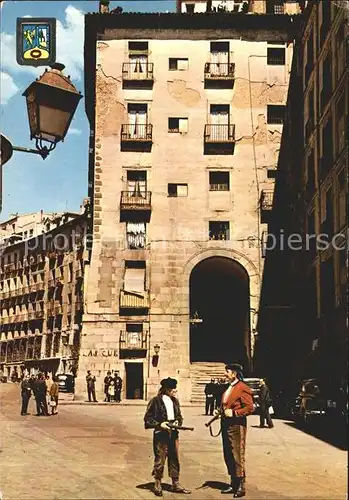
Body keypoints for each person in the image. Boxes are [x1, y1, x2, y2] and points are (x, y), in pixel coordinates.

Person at [144, 377, 191, 497]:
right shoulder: (155, 401)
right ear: (166, 389)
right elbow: (148, 419)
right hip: (161, 434)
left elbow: (179, 416)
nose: (174, 392)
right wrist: (160, 424)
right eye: (172, 390)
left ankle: (175, 483)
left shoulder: (175, 401)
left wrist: (177, 422)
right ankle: (157, 483)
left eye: (175, 390)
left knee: (174, 458)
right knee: (160, 459)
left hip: (173, 434)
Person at [219, 363, 254, 498]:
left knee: (237, 454)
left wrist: (234, 413)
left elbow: (250, 408)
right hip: (226, 424)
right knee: (228, 454)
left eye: (227, 372)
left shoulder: (242, 388)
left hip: (237, 426)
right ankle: (233, 483)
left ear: (234, 374)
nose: (225, 374)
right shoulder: (230, 387)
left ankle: (241, 485)